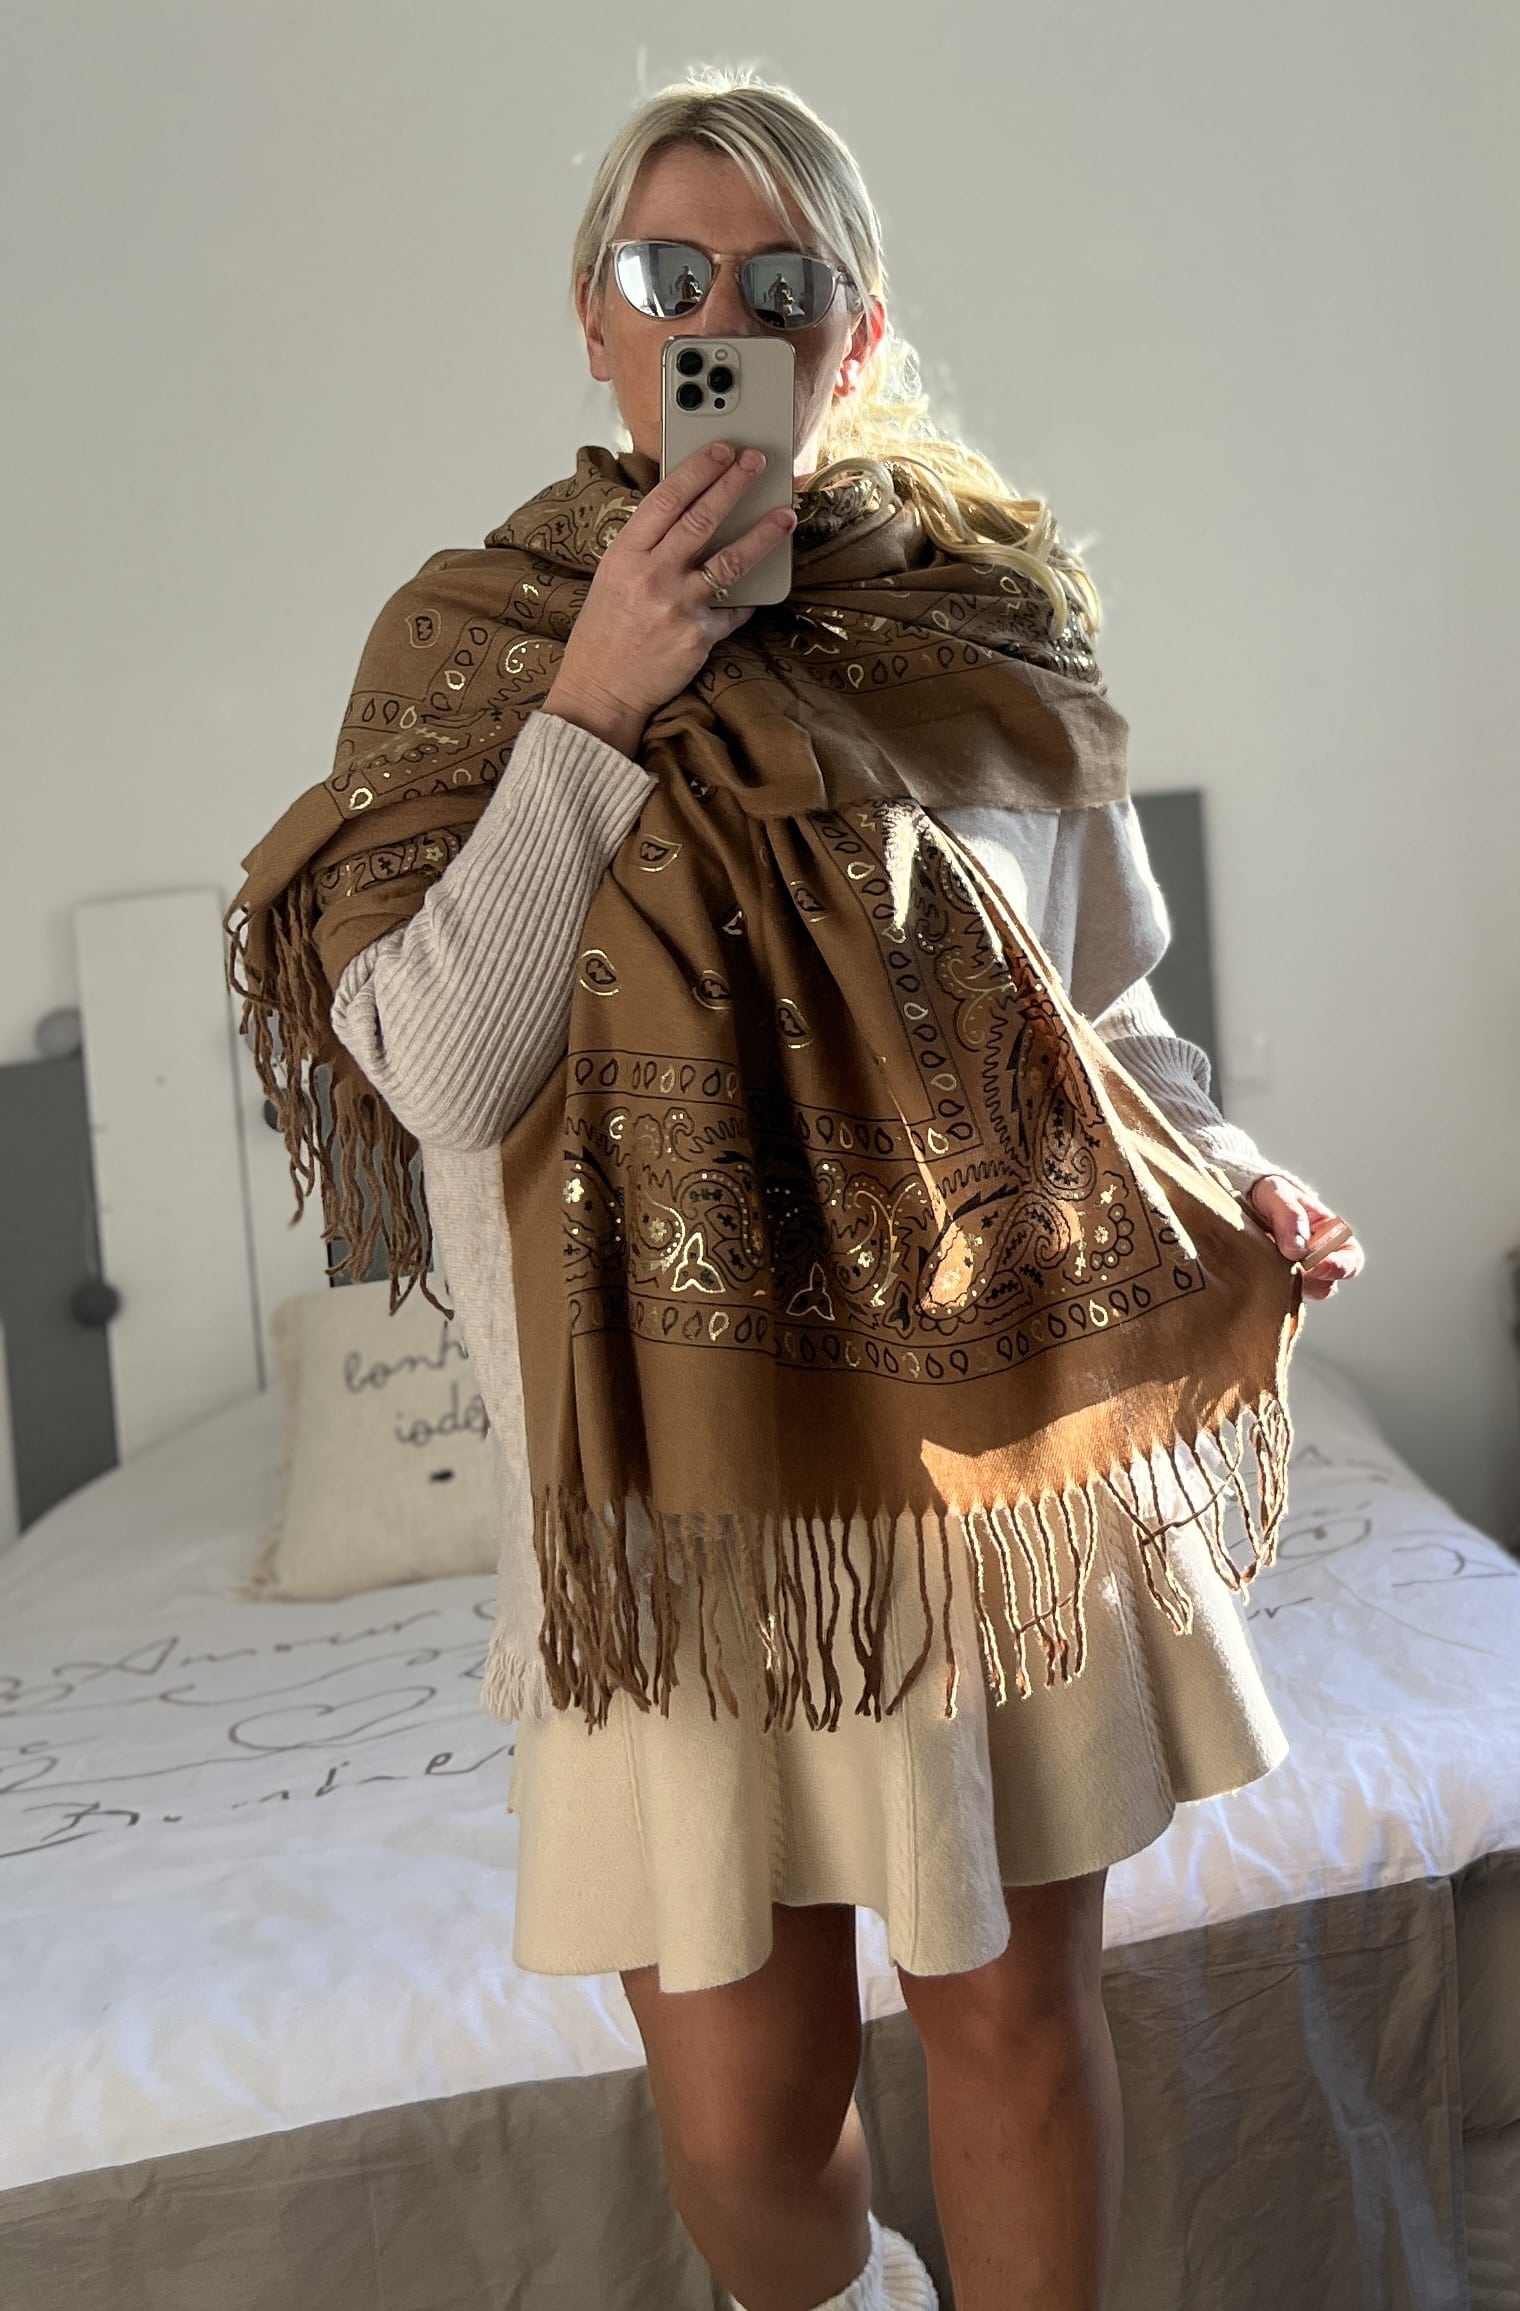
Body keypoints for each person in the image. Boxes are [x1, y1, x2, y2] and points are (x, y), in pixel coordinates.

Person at [240, 67, 1365, 2311]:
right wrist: (598, 703)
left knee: (1016, 2029)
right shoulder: (468, 650)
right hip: (667, 1495)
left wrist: (1230, 1169)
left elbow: (1107, 1019)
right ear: (592, 317)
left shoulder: (987, 630)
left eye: (781, 282)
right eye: (670, 275)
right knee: (746, 2133)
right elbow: (443, 1067)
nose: (718, 320)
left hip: (980, 1461)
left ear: (857, 335)